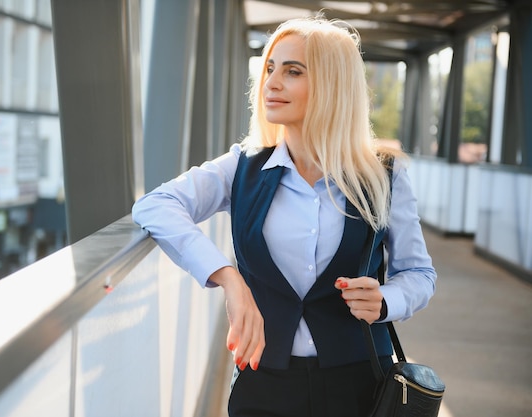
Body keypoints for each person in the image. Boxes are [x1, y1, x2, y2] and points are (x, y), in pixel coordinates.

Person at [132, 16, 436, 417]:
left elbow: (419, 275)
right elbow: (153, 205)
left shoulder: (384, 176)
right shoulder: (241, 167)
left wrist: (385, 300)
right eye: (270, 68)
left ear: (332, 84)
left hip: (360, 380)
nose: (271, 83)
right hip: (264, 381)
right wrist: (229, 278)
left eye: (293, 72)